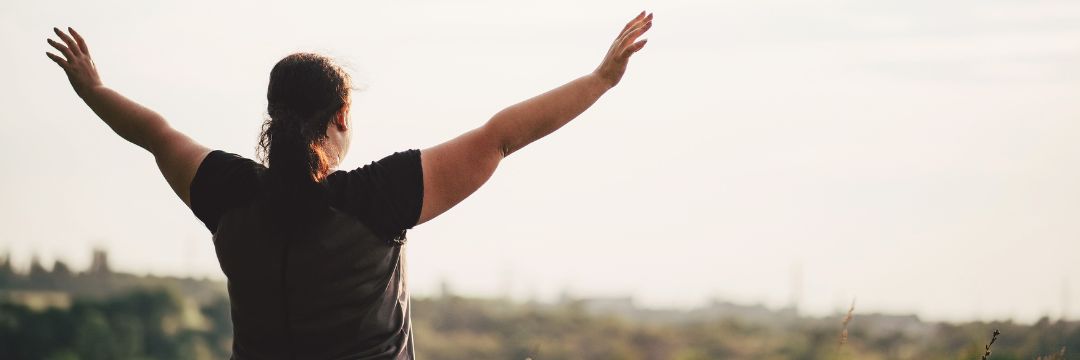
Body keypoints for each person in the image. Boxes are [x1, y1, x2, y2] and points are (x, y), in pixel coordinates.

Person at [46, 11, 653, 359]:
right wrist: (600, 79)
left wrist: (93, 89)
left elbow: (154, 132)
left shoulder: (225, 194)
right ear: (341, 120)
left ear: (271, 118)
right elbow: (499, 137)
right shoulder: (378, 199)